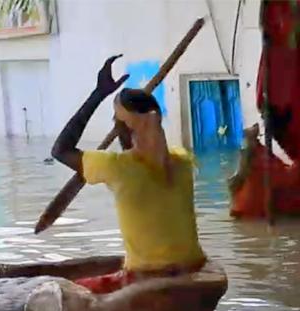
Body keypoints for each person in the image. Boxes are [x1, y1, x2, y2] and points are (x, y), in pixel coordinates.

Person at [51, 55, 206, 294]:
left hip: (144, 276)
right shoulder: (184, 161)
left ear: (125, 127)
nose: (113, 125)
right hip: (194, 266)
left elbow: (60, 150)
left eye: (116, 121)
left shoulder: (117, 167)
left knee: (62, 291)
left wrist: (98, 93)